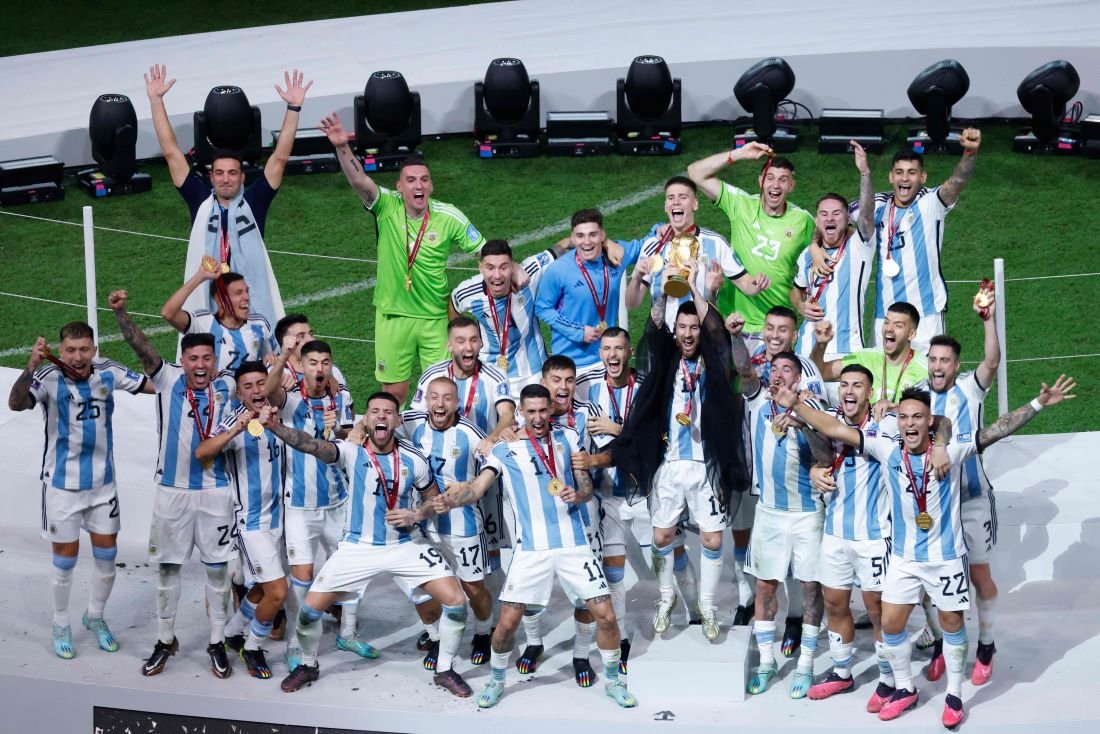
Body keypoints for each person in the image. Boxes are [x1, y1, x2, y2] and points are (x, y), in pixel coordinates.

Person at [776, 379, 1075, 727]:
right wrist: (795, 403)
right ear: (898, 421)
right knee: (890, 623)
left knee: (952, 626)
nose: (909, 424)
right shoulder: (886, 448)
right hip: (904, 561)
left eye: (917, 417)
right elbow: (835, 428)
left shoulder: (951, 450)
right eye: (903, 417)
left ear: (929, 421)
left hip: (945, 560)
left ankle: (954, 694)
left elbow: (995, 429)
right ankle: (904, 688)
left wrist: (1038, 403)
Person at [433, 384, 637, 709]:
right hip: (531, 551)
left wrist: (579, 493)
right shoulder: (505, 449)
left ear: (550, 410)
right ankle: (497, 681)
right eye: (532, 411)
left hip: (574, 546)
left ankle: (613, 681)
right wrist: (450, 499)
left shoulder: (568, 438)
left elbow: (584, 484)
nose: (539, 417)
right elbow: (475, 490)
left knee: (607, 616)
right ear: (521, 411)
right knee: (506, 625)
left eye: (544, 410)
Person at [270, 392, 474, 698]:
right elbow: (309, 444)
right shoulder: (350, 452)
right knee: (309, 611)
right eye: (375, 411)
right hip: (357, 548)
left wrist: (417, 513)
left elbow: (435, 501)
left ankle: (444, 670)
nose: (381, 416)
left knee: (456, 603)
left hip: (405, 544)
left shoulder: (414, 459)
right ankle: (309, 665)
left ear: (396, 420)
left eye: (388, 412)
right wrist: (275, 427)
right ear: (367, 419)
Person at [611, 261, 748, 642]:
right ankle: (666, 597)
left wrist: (692, 285)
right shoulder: (666, 361)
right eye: (682, 328)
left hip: (707, 464)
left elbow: (716, 330)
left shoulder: (715, 360)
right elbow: (653, 327)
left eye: (693, 328)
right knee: (661, 537)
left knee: (712, 540)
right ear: (676, 333)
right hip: (670, 462)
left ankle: (707, 607)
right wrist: (663, 291)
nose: (688, 334)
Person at [110, 290, 238, 678]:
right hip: (172, 492)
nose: (199, 365)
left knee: (218, 572)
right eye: (192, 358)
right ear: (182, 361)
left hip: (217, 492)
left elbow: (264, 387)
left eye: (206, 358)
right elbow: (140, 346)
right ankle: (166, 639)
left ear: (215, 362)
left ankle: (217, 641)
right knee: (167, 569)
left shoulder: (228, 385)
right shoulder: (166, 380)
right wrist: (121, 314)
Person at [319, 112, 486, 406]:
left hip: (434, 318)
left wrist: (504, 275)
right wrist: (342, 147)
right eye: (410, 181)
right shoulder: (386, 207)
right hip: (392, 315)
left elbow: (484, 251)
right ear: (399, 187)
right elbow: (359, 181)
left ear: (431, 186)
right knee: (393, 395)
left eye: (424, 180)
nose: (418, 186)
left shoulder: (448, 215)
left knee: (443, 392)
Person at [7, 323, 149, 659]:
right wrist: (29, 367)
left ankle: (95, 618)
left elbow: (155, 384)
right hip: (63, 488)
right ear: (61, 348)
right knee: (64, 562)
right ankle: (60, 624)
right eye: (70, 349)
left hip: (103, 487)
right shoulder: (47, 377)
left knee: (107, 560)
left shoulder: (108, 372)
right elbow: (16, 403)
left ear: (94, 349)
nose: (77, 356)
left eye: (84, 349)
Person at [144, 64, 312, 326]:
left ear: (242, 177)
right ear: (211, 177)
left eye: (232, 173)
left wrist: (293, 109)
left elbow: (279, 157)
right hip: (207, 298)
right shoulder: (199, 200)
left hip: (250, 300)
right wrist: (156, 101)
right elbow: (171, 152)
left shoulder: (255, 201)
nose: (225, 179)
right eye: (219, 173)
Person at [812, 131, 982, 353]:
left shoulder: (931, 203)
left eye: (912, 173)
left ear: (923, 178)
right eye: (899, 172)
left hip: (926, 315)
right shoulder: (878, 205)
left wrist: (970, 152)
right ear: (891, 176)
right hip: (885, 316)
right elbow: (830, 219)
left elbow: (958, 180)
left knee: (928, 381)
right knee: (882, 382)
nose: (905, 178)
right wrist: (814, 246)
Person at [728, 316, 826, 698]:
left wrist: (803, 423)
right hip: (769, 512)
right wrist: (736, 337)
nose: (779, 373)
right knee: (765, 588)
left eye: (787, 368)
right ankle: (768, 662)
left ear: (798, 378)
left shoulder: (814, 409)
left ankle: (805, 665)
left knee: (811, 589)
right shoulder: (757, 401)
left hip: (807, 513)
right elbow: (741, 368)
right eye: (774, 368)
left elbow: (825, 455)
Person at [801, 365, 902, 707]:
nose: (849, 391)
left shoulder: (884, 424)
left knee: (877, 611)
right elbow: (816, 449)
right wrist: (815, 470)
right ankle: (842, 673)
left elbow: (920, 419)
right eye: (844, 384)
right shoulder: (827, 417)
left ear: (870, 393)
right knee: (834, 604)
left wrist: (896, 406)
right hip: (835, 534)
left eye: (858, 385)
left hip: (874, 537)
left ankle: (889, 680)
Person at [918, 288, 1002, 685]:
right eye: (933, 359)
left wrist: (988, 321)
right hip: (933, 506)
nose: (937, 366)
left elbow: (992, 361)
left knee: (979, 573)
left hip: (971, 500)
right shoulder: (916, 396)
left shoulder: (970, 388)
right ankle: (941, 642)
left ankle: (986, 643)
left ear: (955, 366)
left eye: (945, 361)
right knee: (930, 583)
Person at [263, 338, 359, 670]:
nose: (320, 369)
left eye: (325, 363)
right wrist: (286, 356)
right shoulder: (289, 400)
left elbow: (353, 439)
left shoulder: (341, 396)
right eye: (313, 363)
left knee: (349, 570)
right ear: (302, 367)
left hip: (337, 501)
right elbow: (268, 389)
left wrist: (340, 431)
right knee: (302, 576)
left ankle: (348, 632)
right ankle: (296, 642)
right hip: (300, 506)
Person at [196, 361, 288, 680]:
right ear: (238, 392)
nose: (256, 390)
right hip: (251, 525)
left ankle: (231, 634)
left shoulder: (277, 412)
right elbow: (202, 453)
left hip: (279, 521)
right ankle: (252, 646)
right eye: (247, 386)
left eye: (260, 383)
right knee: (277, 592)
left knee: (262, 590)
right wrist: (236, 428)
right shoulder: (234, 421)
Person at [401, 377, 494, 667]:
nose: (440, 404)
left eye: (447, 398)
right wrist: (358, 427)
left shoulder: (471, 433)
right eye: (434, 397)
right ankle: (436, 637)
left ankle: (482, 633)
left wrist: (469, 483)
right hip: (422, 526)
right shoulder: (412, 425)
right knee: (420, 586)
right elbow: (380, 418)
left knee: (473, 588)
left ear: (456, 403)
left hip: (463, 526)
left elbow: (494, 465)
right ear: (426, 400)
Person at [687, 143, 815, 342]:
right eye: (770, 178)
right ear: (760, 181)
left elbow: (831, 240)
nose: (775, 185)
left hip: (775, 326)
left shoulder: (803, 221)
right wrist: (738, 154)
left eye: (783, 180)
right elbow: (695, 173)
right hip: (733, 319)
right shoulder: (741, 204)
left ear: (791, 186)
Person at [626, 175, 770, 328]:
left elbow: (745, 283)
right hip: (663, 338)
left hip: (703, 336)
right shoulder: (653, 245)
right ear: (665, 206)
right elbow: (631, 304)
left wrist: (758, 284)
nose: (676, 201)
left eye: (683, 197)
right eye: (670, 197)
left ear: (694, 204)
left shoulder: (716, 243)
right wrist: (637, 277)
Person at [534, 209, 643, 382]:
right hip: (571, 365)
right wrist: (578, 331)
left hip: (607, 361)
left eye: (593, 235)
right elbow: (542, 307)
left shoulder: (615, 256)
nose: (586, 242)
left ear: (602, 236)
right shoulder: (559, 269)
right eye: (580, 236)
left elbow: (649, 244)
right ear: (573, 238)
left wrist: (661, 228)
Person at [790, 143, 876, 360]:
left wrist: (864, 173)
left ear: (848, 219)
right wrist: (800, 306)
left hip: (847, 350)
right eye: (824, 214)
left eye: (836, 214)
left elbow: (866, 215)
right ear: (817, 220)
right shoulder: (807, 255)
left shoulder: (859, 246)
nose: (829, 218)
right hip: (806, 349)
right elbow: (796, 290)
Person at [451, 238, 571, 393]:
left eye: (503, 267)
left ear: (512, 266)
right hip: (490, 374)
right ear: (480, 268)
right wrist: (460, 338)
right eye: (490, 268)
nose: (497, 275)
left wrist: (607, 244)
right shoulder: (468, 292)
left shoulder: (529, 273)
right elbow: (454, 305)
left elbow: (562, 246)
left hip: (534, 371)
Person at [813, 301, 928, 421]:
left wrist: (895, 409)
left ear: (911, 334)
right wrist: (820, 345)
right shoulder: (866, 357)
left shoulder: (925, 370)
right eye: (886, 322)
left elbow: (933, 414)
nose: (889, 329)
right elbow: (820, 373)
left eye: (898, 325)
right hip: (861, 435)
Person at [161, 259, 277, 372]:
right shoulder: (203, 323)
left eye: (247, 291)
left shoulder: (260, 324)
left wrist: (272, 360)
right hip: (213, 391)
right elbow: (168, 313)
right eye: (238, 293)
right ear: (220, 300)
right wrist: (200, 276)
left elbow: (275, 359)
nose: (246, 297)